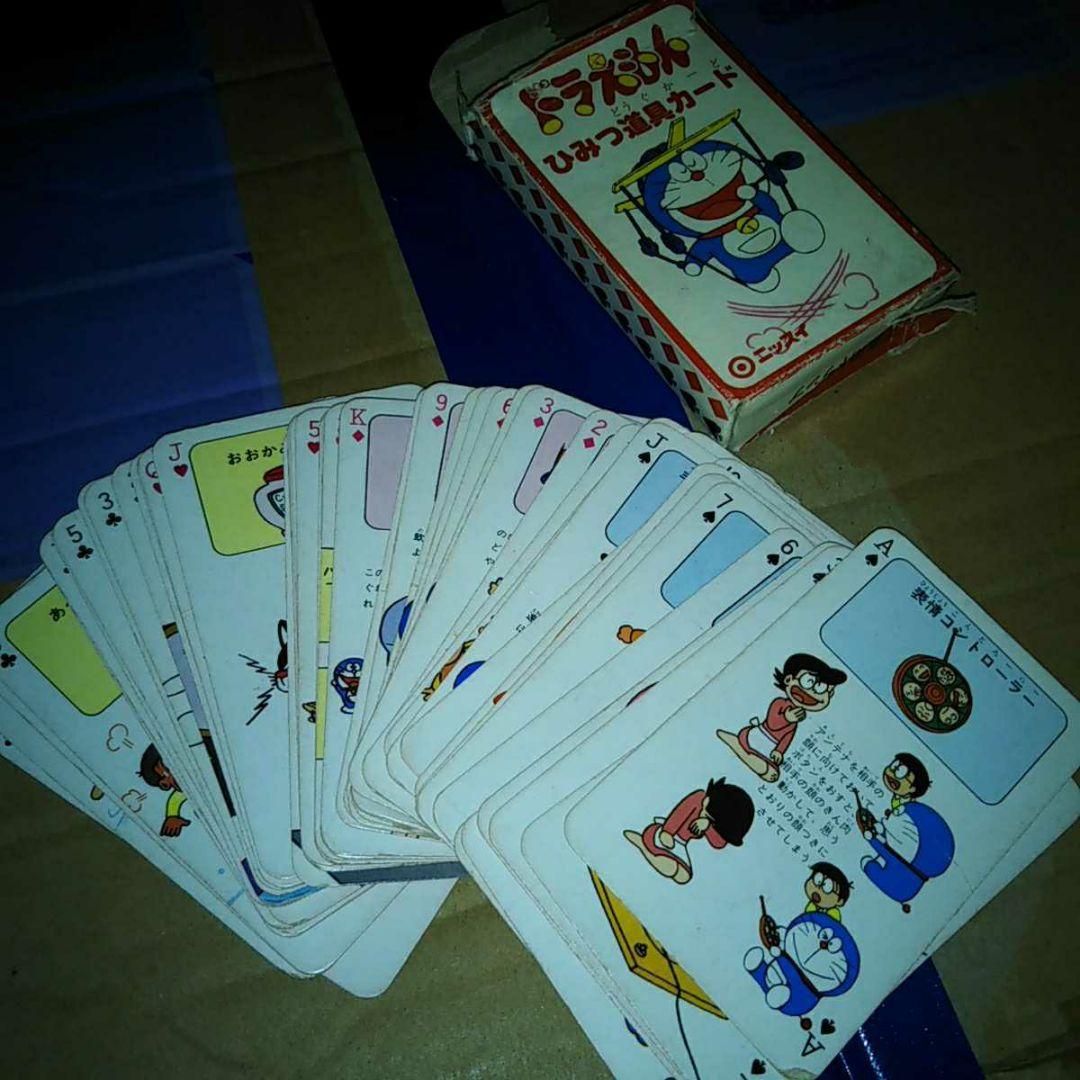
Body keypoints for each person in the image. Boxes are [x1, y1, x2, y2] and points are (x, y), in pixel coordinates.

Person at [717, 653, 847, 781]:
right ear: (789, 680)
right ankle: (740, 746)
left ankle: (755, 760)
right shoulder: (779, 703)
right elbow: (772, 723)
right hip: (759, 735)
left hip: (770, 747)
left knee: (772, 773)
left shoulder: (797, 719)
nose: (812, 692)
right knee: (749, 745)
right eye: (809, 682)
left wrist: (779, 751)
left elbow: (787, 738)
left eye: (822, 689)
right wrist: (786, 718)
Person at [623, 776, 754, 884]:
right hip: (664, 833)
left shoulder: (713, 823)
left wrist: (707, 825)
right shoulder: (699, 798)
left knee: (683, 877)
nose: (705, 802)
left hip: (680, 844)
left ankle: (646, 848)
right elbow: (678, 813)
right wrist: (667, 832)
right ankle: (642, 844)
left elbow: (719, 843)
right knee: (669, 866)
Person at [138, 743, 191, 838]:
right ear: (165, 784)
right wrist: (172, 817)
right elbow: (176, 799)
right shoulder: (188, 788)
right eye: (167, 769)